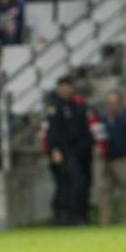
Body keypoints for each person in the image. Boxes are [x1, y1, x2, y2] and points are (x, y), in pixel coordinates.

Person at [44, 77, 95, 226]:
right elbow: (51, 132)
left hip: (81, 152)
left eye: (68, 86)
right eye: (63, 87)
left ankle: (80, 214)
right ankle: (63, 215)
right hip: (64, 152)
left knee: (83, 184)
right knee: (66, 185)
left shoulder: (79, 107)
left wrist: (90, 146)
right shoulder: (54, 108)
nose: (66, 90)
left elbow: (86, 129)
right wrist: (54, 150)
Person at [98, 91, 126, 225]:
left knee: (125, 190)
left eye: (113, 103)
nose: (111, 106)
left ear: (121, 103)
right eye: (108, 103)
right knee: (104, 191)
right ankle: (104, 221)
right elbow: (99, 135)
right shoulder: (103, 118)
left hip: (123, 159)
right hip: (107, 159)